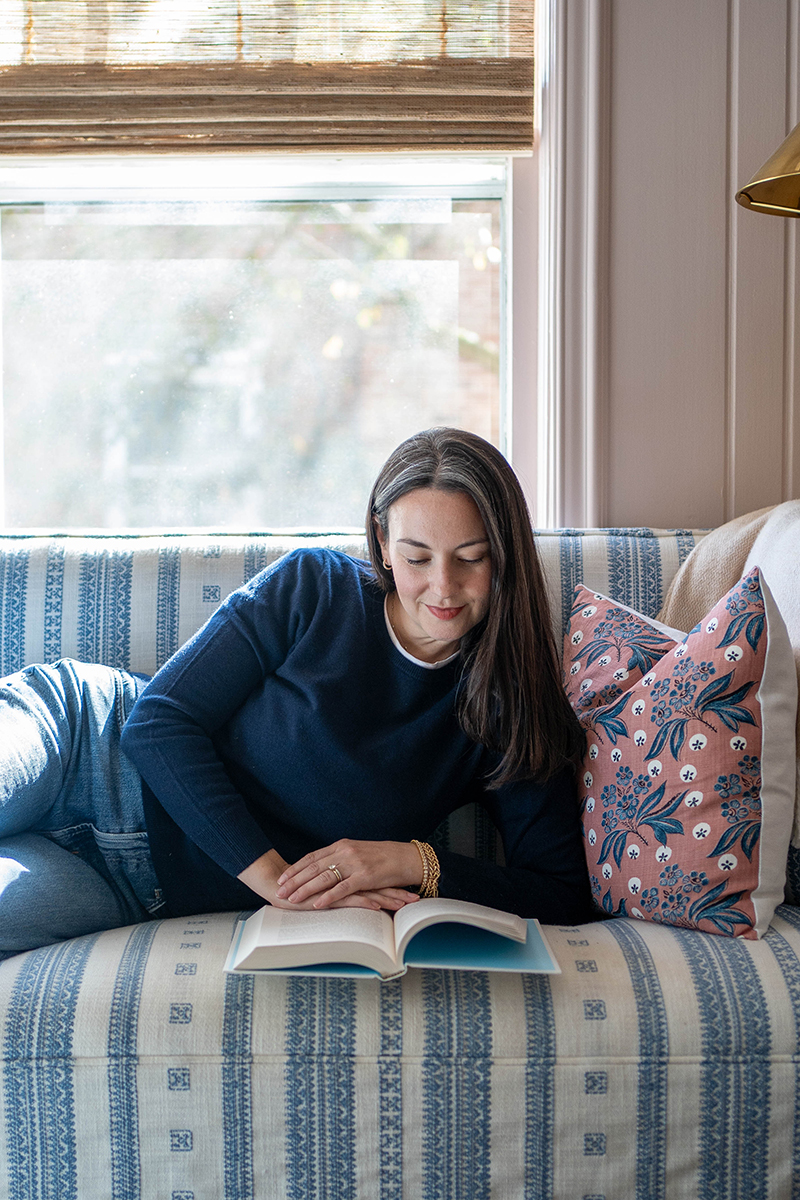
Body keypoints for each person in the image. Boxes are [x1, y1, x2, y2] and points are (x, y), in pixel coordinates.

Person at [0, 428, 592, 958]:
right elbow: (158, 723)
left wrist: (415, 861)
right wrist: (281, 886)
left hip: (124, 884)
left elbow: (562, 890)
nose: (444, 586)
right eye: (417, 558)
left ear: (505, 558)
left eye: (471, 559)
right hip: (80, 742)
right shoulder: (317, 587)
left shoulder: (505, 709)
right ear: (384, 544)